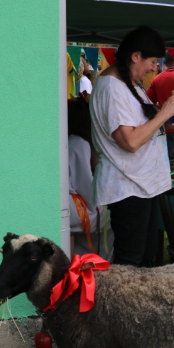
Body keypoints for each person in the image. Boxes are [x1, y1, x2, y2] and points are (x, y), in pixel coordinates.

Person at [90, 26, 174, 267]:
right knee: (131, 262)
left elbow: (139, 129)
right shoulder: (111, 87)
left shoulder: (130, 82)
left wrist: (164, 127)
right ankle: (123, 305)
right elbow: (129, 141)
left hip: (141, 185)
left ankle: (137, 304)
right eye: (152, 61)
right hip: (128, 187)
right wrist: (164, 114)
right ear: (135, 56)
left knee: (146, 254)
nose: (155, 67)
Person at [67, 97, 114, 261]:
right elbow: (85, 186)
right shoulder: (80, 144)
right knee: (110, 218)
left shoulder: (69, 141)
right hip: (73, 208)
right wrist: (102, 203)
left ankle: (82, 258)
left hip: (70, 205)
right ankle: (99, 261)